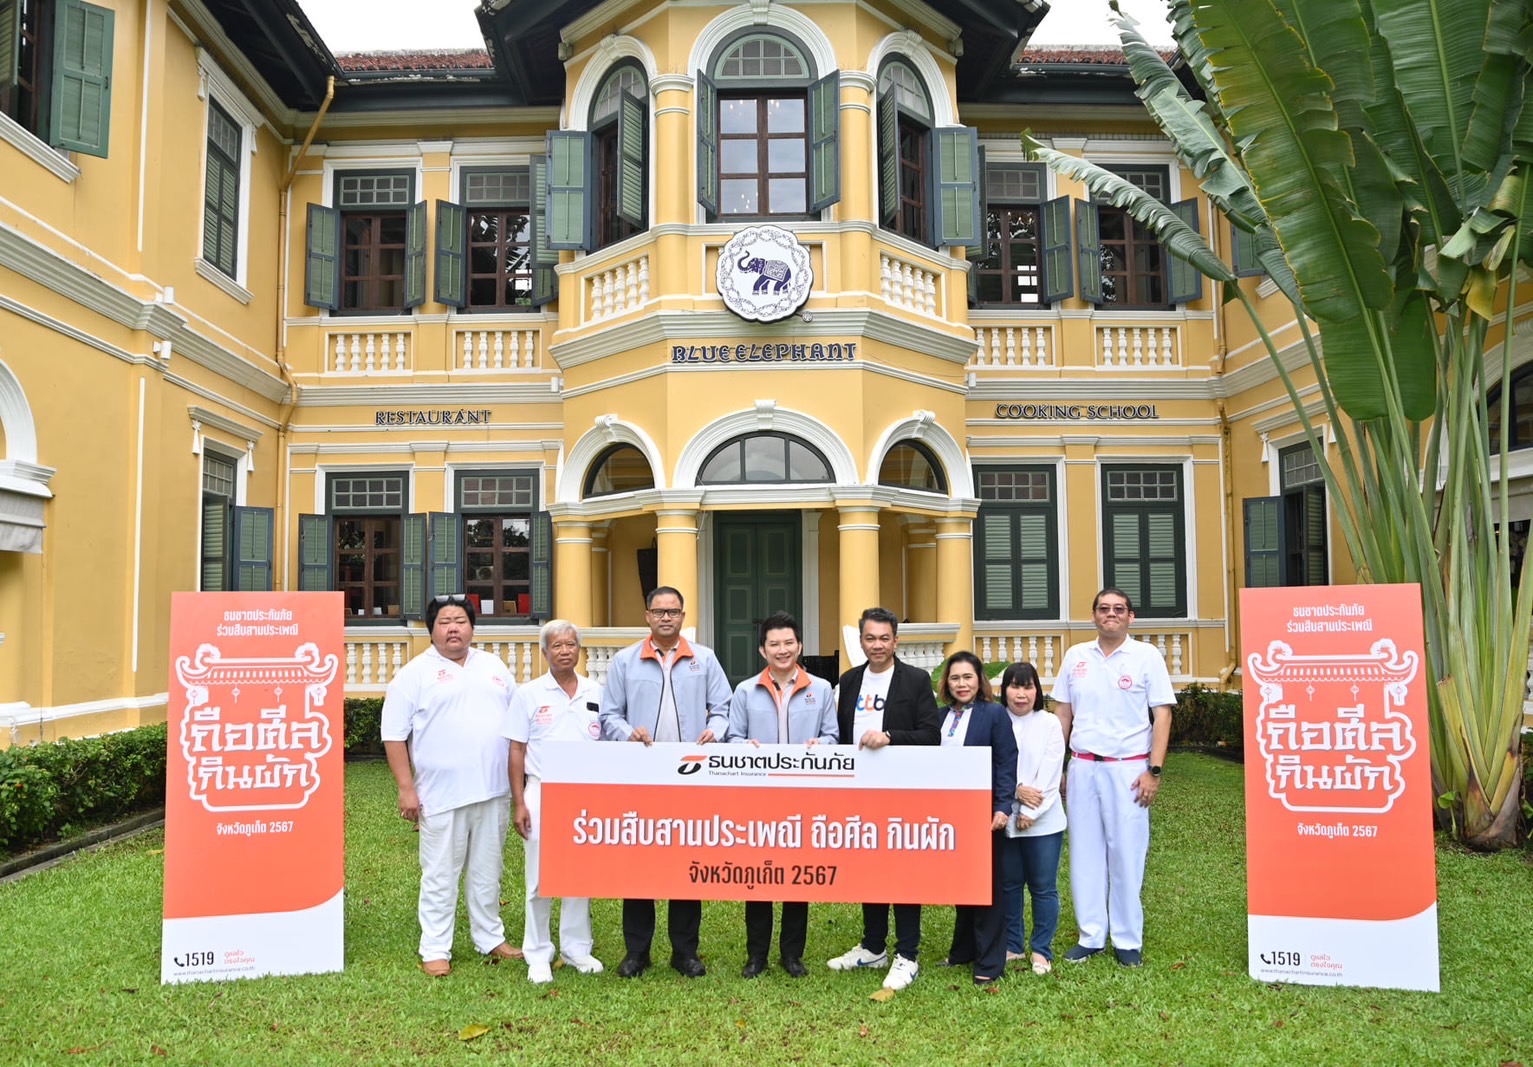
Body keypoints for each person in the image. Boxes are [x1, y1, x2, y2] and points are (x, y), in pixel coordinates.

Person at [381, 594, 523, 976]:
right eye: (444, 622)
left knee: (487, 871)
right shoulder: (413, 675)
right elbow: (393, 735)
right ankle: (435, 948)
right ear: (432, 630)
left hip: (494, 791)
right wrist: (406, 788)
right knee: (440, 874)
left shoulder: (493, 666)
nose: (453, 629)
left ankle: (489, 937)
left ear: (472, 627)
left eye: (460, 621)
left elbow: (518, 723)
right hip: (441, 795)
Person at [599, 586, 732, 978]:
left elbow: (723, 708)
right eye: (659, 612)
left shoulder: (704, 659)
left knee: (686, 864)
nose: (666, 618)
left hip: (690, 776)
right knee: (639, 864)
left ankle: (684, 951)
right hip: (642, 777)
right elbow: (609, 715)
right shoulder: (625, 661)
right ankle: (637, 951)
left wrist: (715, 730)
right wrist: (628, 733)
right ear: (647, 616)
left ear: (683, 616)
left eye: (673, 612)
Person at [1050, 588, 1174, 967]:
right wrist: (1058, 767)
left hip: (1129, 769)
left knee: (1126, 853)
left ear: (1130, 617)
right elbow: (1062, 714)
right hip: (1083, 765)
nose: (1111, 614)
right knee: (1084, 852)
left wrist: (1154, 770)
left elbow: (1163, 715)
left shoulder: (1146, 657)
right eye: (1103, 608)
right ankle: (1091, 936)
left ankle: (1126, 938)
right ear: (1094, 616)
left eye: (1119, 609)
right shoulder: (1076, 656)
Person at [826, 607, 942, 991]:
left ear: (896, 640)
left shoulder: (916, 680)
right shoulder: (849, 680)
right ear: (861, 641)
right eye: (870, 638)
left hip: (902, 792)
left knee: (903, 872)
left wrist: (890, 736)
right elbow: (841, 734)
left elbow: (931, 735)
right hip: (860, 792)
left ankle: (907, 953)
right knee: (870, 870)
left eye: (884, 638)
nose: (877, 645)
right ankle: (873, 946)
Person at [725, 610, 838, 979]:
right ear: (763, 650)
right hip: (758, 797)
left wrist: (821, 744)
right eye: (774, 644)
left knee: (797, 876)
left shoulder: (821, 689)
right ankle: (756, 955)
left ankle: (792, 954)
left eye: (789, 642)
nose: (782, 649)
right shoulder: (745, 691)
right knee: (757, 875)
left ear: (799, 646)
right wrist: (746, 747)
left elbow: (833, 736)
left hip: (804, 797)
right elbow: (732, 738)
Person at [506, 620, 606, 984]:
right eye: (557, 646)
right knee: (539, 876)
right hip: (541, 790)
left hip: (586, 794)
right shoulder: (529, 694)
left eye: (571, 645)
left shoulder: (597, 691)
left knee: (580, 871)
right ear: (545, 652)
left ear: (579, 650)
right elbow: (516, 750)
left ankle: (576, 948)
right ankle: (537, 952)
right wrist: (519, 802)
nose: (565, 651)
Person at [935, 651, 1017, 986]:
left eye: (967, 677)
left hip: (984, 812)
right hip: (949, 814)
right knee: (963, 884)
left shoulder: (994, 714)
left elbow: (1006, 762)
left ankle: (990, 961)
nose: (962, 684)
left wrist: (1003, 806)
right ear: (947, 683)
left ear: (979, 680)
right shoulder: (940, 716)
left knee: (987, 887)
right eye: (955, 678)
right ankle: (963, 951)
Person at [998, 661, 1066, 976]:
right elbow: (992, 765)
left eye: (1028, 687)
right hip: (1005, 816)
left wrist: (1030, 812)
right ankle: (1013, 945)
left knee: (1043, 887)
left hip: (1044, 820)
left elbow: (1051, 773)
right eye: (1015, 686)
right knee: (1010, 885)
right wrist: (1016, 791)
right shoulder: (996, 719)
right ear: (1005, 690)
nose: (1021, 694)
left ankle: (1041, 950)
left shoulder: (1049, 723)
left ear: (1037, 691)